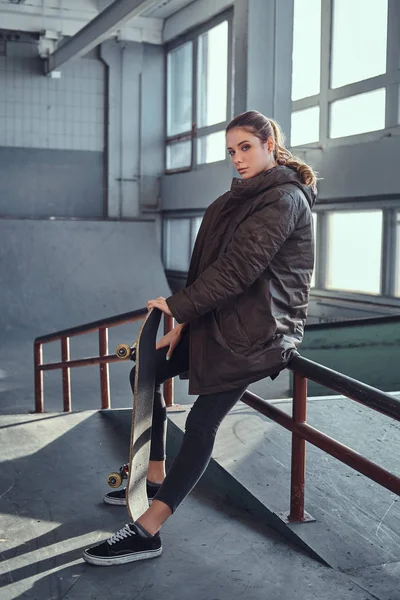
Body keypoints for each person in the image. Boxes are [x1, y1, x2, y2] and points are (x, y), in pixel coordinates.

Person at [82, 110, 317, 566]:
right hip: (218, 321)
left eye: (246, 147)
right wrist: (183, 326)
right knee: (143, 372)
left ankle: (148, 530)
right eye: (231, 151)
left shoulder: (285, 199)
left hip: (258, 334)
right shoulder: (233, 201)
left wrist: (179, 305)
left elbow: (239, 270)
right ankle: (154, 475)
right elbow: (208, 268)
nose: (237, 159)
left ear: (270, 144)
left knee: (201, 424)